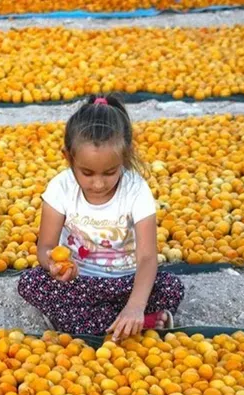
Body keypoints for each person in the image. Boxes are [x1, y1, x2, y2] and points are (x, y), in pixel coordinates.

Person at [18, 94, 184, 340]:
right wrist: (53, 266)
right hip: (79, 282)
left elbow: (148, 257)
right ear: (68, 158)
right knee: (30, 283)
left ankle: (99, 320)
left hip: (125, 281)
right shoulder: (60, 188)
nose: (97, 184)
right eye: (87, 173)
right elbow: (46, 247)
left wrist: (135, 305)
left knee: (171, 287)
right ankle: (141, 323)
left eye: (109, 173)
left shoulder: (136, 190)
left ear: (124, 157)